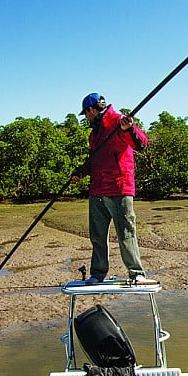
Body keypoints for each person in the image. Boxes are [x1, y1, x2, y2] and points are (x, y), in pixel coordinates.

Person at [70, 93, 154, 285]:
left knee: (126, 234)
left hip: (119, 188)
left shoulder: (118, 121)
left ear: (91, 110)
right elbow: (95, 161)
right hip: (97, 191)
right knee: (97, 236)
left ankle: (136, 273)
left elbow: (141, 143)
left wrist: (129, 128)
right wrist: (81, 172)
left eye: (86, 113)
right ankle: (97, 274)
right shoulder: (94, 134)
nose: (86, 117)